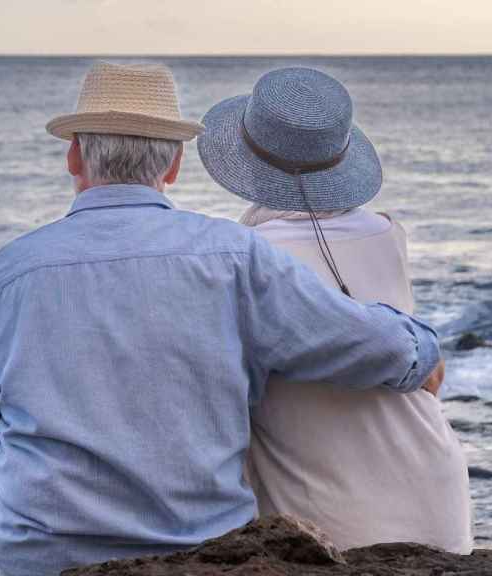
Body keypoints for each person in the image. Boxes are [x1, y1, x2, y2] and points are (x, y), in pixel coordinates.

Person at [0, 61, 443, 576]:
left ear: (74, 156)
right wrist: (422, 347)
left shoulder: (13, 267)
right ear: (175, 165)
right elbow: (361, 342)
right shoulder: (231, 254)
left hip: (46, 554)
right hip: (201, 548)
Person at [197, 66, 472, 554]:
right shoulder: (388, 234)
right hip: (437, 492)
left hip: (332, 517)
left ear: (249, 159)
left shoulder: (242, 258)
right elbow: (430, 371)